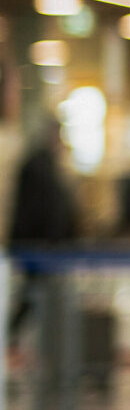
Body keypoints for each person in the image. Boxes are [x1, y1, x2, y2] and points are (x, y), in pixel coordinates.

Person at [7, 119, 80, 344]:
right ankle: (12, 336)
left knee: (36, 298)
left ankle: (20, 339)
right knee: (32, 297)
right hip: (38, 247)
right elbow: (40, 209)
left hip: (44, 248)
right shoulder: (38, 165)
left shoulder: (46, 163)